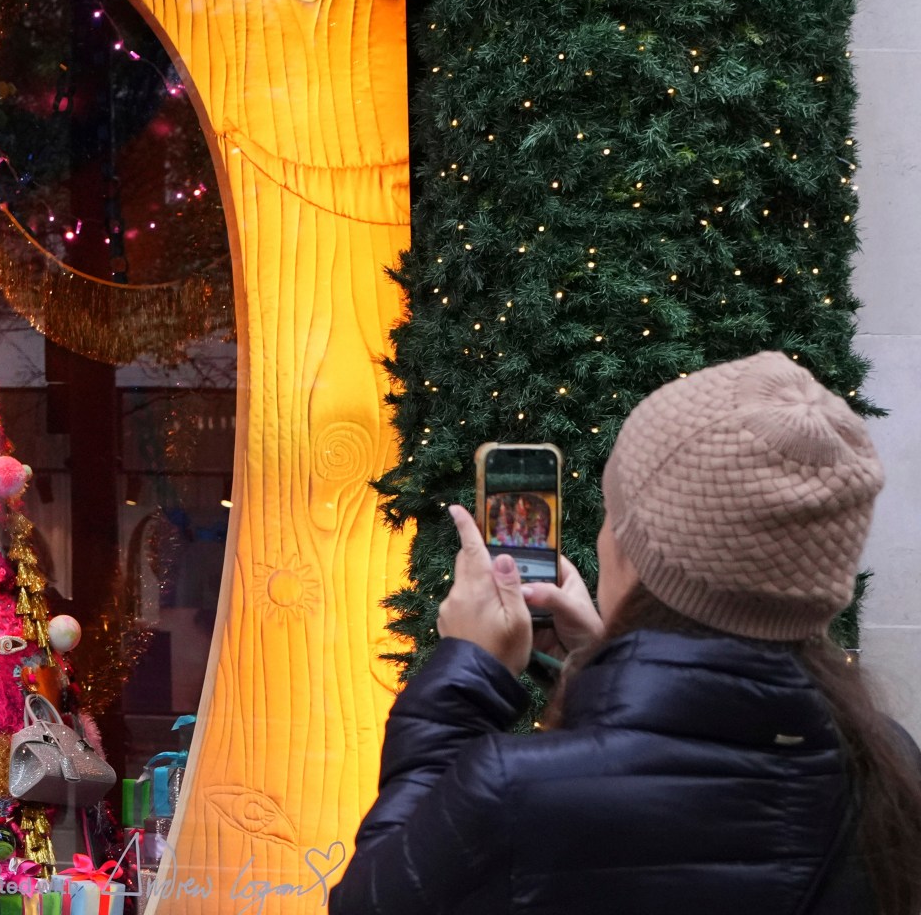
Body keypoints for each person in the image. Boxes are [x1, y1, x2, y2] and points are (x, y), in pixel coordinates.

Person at [331, 351, 921, 913]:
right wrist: (600, 653)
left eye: (615, 515)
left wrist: (465, 672)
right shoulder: (887, 762)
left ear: (641, 559)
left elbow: (370, 899)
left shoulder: (518, 792)